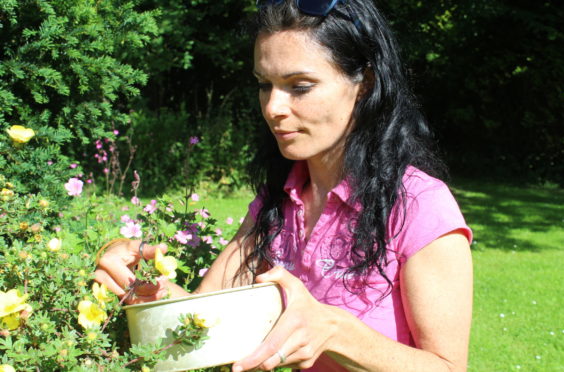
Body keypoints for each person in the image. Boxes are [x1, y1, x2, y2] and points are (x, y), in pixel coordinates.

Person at [95, 0, 474, 371]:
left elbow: (447, 366)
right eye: (265, 85)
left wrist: (336, 332)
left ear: (365, 84)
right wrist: (141, 286)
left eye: (300, 86)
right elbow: (200, 320)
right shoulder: (277, 201)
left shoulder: (419, 207)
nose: (273, 107)